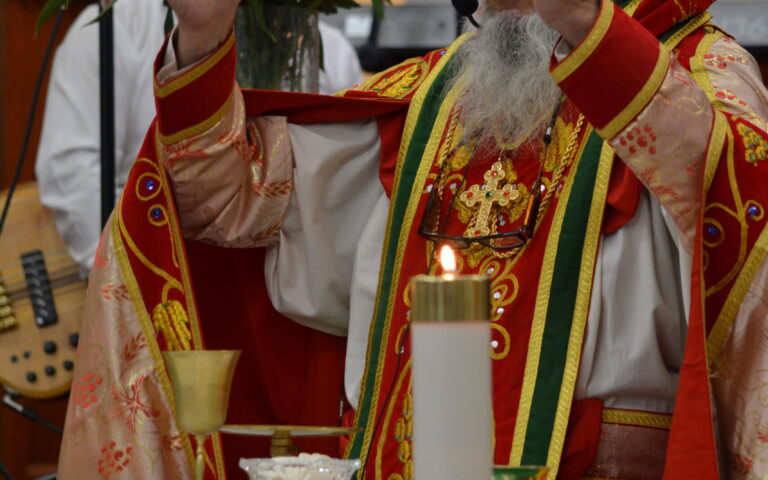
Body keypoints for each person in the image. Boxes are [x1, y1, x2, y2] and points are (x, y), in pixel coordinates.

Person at [58, 0, 768, 478]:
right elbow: (220, 207)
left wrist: (585, 25)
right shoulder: (428, 94)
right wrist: (206, 34)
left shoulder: (698, 74)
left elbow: (735, 211)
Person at [35, 0, 364, 277]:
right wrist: (158, 288)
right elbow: (73, 177)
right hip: (158, 286)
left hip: (286, 300)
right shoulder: (118, 26)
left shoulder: (331, 50)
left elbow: (341, 205)